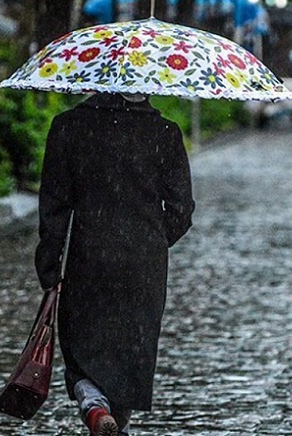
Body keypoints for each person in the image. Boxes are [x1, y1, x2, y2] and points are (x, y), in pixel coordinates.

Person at [35, 92, 195, 436]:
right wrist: (149, 241)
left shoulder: (68, 127)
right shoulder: (165, 133)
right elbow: (182, 211)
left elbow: (54, 205)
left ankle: (93, 405)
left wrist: (49, 265)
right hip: (144, 264)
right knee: (130, 352)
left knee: (81, 344)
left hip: (88, 256)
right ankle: (111, 419)